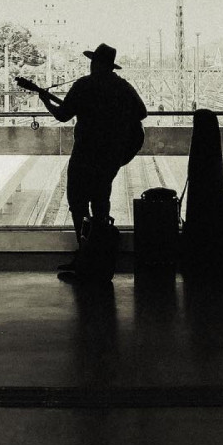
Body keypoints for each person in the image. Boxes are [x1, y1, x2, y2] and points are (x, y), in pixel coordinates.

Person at [37, 43, 147, 273]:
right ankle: (101, 259)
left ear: (96, 63)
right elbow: (141, 112)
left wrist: (45, 100)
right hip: (110, 155)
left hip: (85, 153)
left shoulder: (84, 85)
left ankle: (85, 255)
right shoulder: (122, 86)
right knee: (100, 203)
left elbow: (63, 115)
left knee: (78, 203)